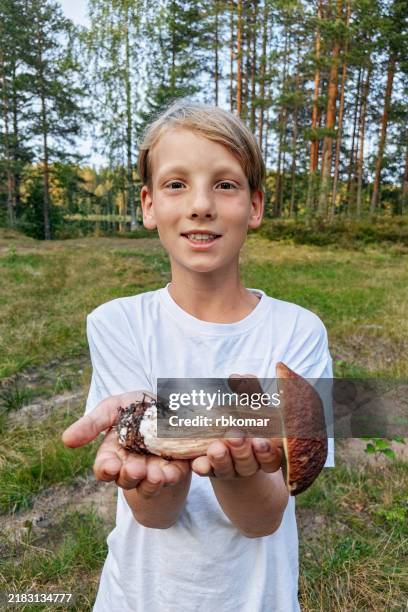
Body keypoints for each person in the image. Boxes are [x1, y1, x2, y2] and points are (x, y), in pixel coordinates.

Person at [62, 101, 334, 612]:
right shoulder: (116, 324)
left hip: (257, 598)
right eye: (176, 184)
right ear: (148, 205)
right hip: (140, 596)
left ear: (254, 206)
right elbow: (155, 513)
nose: (201, 205)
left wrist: (241, 468)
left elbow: (262, 520)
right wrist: (148, 452)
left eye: (225, 184)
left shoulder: (298, 332)